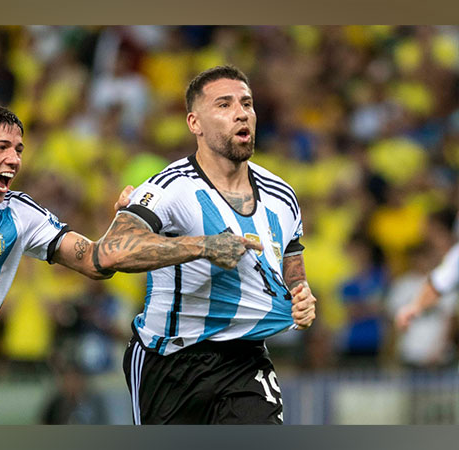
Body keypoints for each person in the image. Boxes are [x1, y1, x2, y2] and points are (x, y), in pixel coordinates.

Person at [0, 104, 261, 425]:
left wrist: (184, 239)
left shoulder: (21, 217)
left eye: (18, 149)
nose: (14, 159)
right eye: (1, 147)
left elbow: (97, 260)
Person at [117, 66, 317, 425]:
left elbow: (291, 260)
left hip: (246, 357)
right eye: (224, 105)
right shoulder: (170, 188)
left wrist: (301, 291)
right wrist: (203, 247)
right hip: (170, 360)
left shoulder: (282, 196)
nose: (241, 113)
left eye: (247, 103)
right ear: (195, 123)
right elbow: (113, 250)